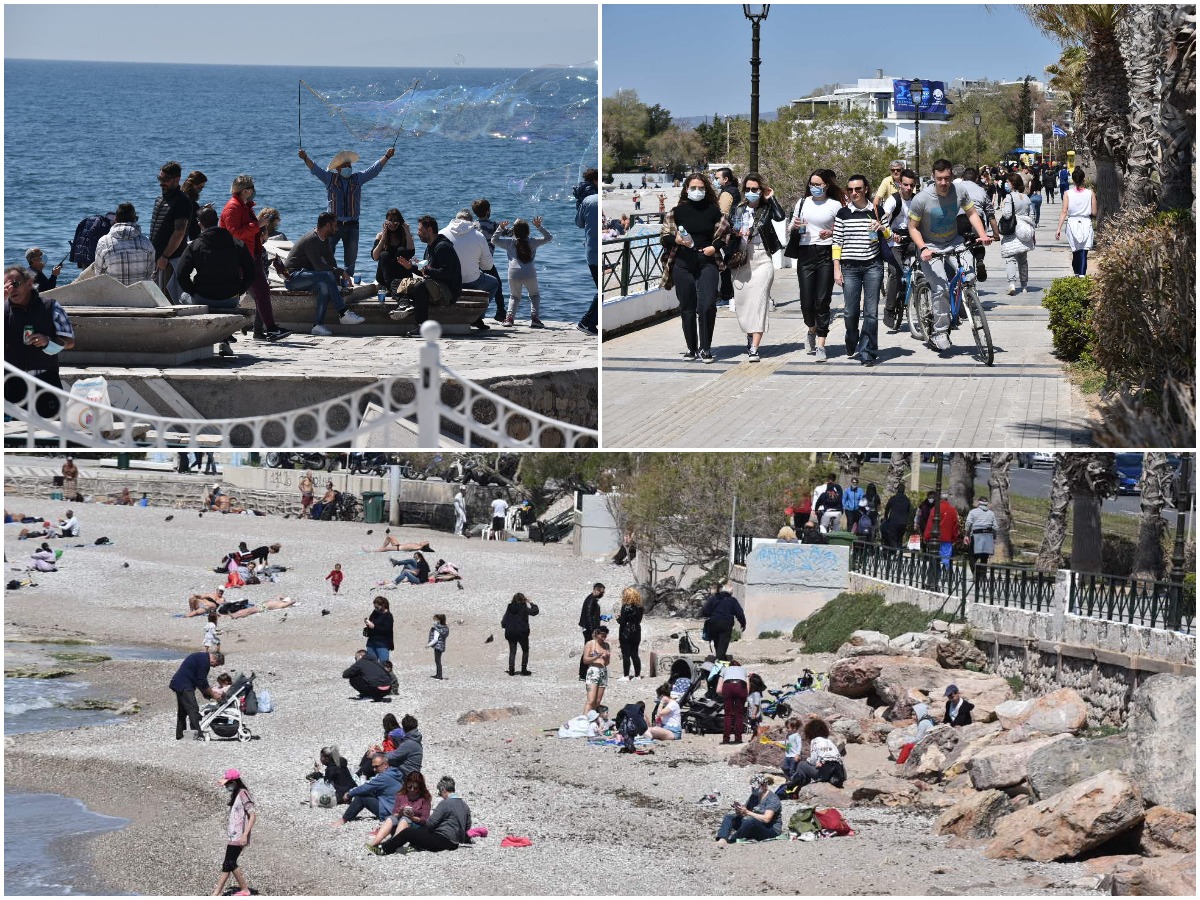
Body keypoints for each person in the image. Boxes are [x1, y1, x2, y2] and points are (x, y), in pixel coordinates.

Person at [907, 159, 993, 350]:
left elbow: (971, 214)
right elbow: (912, 228)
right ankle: (940, 331)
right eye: (939, 179)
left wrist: (982, 235)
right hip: (930, 247)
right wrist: (923, 248)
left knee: (970, 276)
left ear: (952, 177)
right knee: (941, 289)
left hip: (954, 241)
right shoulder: (921, 199)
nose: (943, 183)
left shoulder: (960, 191)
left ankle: (971, 305)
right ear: (933, 177)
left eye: (947, 178)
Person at [298, 147, 395, 277]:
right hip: (333, 226)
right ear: (338, 169)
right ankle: (329, 278)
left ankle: (347, 282)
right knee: (327, 255)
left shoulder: (357, 179)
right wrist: (305, 157)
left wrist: (387, 156)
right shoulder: (330, 179)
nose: (348, 168)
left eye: (349, 165)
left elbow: (374, 170)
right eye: (345, 166)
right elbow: (315, 169)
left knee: (351, 259)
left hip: (352, 225)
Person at [177, 206, 257, 353]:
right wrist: (239, 290)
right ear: (219, 221)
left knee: (183, 297)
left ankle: (197, 339)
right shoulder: (237, 243)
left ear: (200, 224)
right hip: (230, 298)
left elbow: (181, 274)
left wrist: (193, 292)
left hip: (203, 297)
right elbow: (251, 272)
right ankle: (224, 339)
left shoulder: (195, 245)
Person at [218, 174, 286, 342]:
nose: (254, 191)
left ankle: (270, 328)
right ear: (246, 191)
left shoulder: (245, 206)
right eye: (252, 188)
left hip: (250, 254)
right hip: (239, 257)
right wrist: (257, 225)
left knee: (261, 292)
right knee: (235, 294)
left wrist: (258, 225)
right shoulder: (233, 208)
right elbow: (235, 233)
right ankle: (266, 329)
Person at [665, 174, 725, 362]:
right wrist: (675, 239)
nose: (697, 191)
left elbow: (725, 235)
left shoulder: (714, 211)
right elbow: (664, 237)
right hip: (683, 263)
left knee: (707, 305)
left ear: (706, 189)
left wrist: (714, 247)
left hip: (707, 261)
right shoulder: (676, 212)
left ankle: (705, 348)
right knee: (687, 307)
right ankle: (691, 348)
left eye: (700, 188)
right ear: (686, 189)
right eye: (693, 188)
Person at [4, 266, 76, 419]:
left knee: (52, 434)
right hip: (10, 382)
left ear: (29, 283)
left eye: (15, 284)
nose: (11, 290)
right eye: (6, 287)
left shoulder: (50, 306)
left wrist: (49, 341)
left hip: (46, 381)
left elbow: (70, 342)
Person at [789, 169, 845, 362]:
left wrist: (831, 233)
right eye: (811, 184)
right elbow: (790, 227)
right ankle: (811, 329)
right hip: (805, 252)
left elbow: (842, 228)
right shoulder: (802, 202)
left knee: (822, 300)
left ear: (826, 186)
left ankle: (821, 343)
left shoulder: (835, 205)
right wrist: (794, 225)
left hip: (826, 254)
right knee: (806, 302)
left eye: (818, 184)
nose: (814, 188)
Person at [729, 173, 785, 361]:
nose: (751, 192)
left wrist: (772, 198)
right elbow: (730, 229)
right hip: (742, 258)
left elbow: (780, 216)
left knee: (759, 302)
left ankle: (754, 347)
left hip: (762, 259)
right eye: (748, 189)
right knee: (743, 303)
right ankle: (749, 333)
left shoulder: (767, 208)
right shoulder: (738, 209)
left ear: (761, 190)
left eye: (755, 189)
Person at [284, 212, 366, 336]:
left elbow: (331, 261)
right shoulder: (311, 239)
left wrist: (337, 284)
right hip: (293, 278)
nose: (337, 228)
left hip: (307, 276)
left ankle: (317, 325)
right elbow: (319, 267)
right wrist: (341, 272)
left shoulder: (324, 239)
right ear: (327, 226)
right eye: (335, 225)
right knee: (326, 275)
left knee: (324, 286)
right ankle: (343, 313)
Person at [832, 173, 885, 365]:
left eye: (858, 189)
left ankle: (867, 352)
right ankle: (851, 336)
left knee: (870, 311)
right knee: (850, 312)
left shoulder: (877, 210)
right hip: (849, 267)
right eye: (850, 190)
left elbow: (889, 236)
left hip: (873, 265)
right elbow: (836, 242)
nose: (854, 193)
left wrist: (882, 228)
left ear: (866, 189)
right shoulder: (843, 213)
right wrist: (836, 269)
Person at [389, 215, 465, 329]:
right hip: (433, 286)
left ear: (429, 230)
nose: (418, 233)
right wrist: (411, 267)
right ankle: (405, 305)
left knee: (420, 286)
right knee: (395, 283)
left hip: (447, 292)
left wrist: (426, 270)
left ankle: (421, 325)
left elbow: (446, 273)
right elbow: (426, 271)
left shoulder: (443, 247)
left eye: (420, 230)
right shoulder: (430, 247)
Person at [374, 776, 471, 855]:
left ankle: (384, 849)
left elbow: (431, 824)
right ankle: (414, 846)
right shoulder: (464, 805)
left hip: (443, 841)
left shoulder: (445, 803)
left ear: (443, 789)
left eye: (439, 792)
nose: (440, 794)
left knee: (407, 832)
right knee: (419, 833)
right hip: (454, 843)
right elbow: (467, 826)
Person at [492, 217, 552, 328]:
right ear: (528, 231)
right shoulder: (533, 242)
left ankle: (509, 318)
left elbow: (494, 240)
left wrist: (500, 228)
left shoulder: (509, 243)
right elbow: (549, 237)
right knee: (534, 296)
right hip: (530, 273)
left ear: (514, 232)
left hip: (513, 273)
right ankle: (535, 319)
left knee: (514, 297)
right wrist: (539, 226)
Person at [442, 209, 501, 318]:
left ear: (456, 219)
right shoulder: (478, 235)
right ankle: (478, 316)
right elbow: (487, 266)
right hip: (471, 281)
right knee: (494, 283)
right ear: (471, 221)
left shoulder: (442, 233)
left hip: (448, 282)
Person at [880, 169, 919, 328]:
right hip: (894, 240)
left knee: (924, 267)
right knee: (895, 272)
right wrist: (890, 235)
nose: (908, 188)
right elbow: (883, 221)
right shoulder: (893, 200)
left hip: (912, 238)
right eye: (905, 185)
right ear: (899, 184)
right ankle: (889, 310)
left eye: (911, 185)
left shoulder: (917, 200)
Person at [149, 161, 191, 301]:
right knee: (156, 298)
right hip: (157, 258)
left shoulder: (182, 201)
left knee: (168, 298)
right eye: (160, 178)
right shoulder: (160, 199)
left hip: (170, 259)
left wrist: (165, 256)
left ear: (177, 179)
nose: (162, 182)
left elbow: (179, 232)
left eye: (165, 179)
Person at [92, 202, 157, 287]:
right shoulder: (146, 243)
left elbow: (98, 274)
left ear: (115, 219)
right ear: (134, 220)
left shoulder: (104, 242)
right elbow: (150, 273)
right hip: (140, 296)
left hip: (113, 296)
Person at [213, 769, 256, 897]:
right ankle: (216, 893)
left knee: (230, 863)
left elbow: (253, 815)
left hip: (239, 835)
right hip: (233, 835)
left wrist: (244, 835)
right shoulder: (237, 794)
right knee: (228, 864)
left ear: (234, 782)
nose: (226, 786)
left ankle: (244, 890)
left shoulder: (243, 793)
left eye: (228, 784)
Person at [366, 770, 432, 849]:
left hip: (417, 825)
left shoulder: (425, 798)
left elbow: (424, 820)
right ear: (406, 785)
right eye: (409, 787)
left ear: (420, 787)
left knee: (404, 819)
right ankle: (375, 842)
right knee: (390, 819)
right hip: (402, 820)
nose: (412, 789)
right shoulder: (401, 795)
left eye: (415, 788)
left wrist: (412, 817)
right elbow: (394, 813)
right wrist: (400, 813)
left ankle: (391, 846)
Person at [169, 649, 225, 740]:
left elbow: (199, 681)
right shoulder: (204, 662)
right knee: (193, 708)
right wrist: (213, 695)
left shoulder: (202, 657)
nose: (214, 666)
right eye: (216, 664)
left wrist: (207, 694)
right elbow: (202, 681)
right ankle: (197, 734)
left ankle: (180, 736)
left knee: (182, 711)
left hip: (179, 683)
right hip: (184, 685)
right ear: (215, 659)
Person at [334, 753, 402, 825]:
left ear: (385, 765)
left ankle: (344, 819)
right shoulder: (394, 773)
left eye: (376, 767)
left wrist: (349, 794)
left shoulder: (384, 777)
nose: (374, 770)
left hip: (389, 811)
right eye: (373, 767)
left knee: (361, 797)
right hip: (396, 810)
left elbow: (366, 788)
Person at [715, 774, 782, 846]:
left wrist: (747, 812)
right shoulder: (754, 796)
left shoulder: (772, 799)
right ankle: (722, 838)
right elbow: (746, 812)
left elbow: (767, 819)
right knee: (729, 817)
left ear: (764, 786)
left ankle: (732, 839)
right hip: (754, 825)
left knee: (750, 821)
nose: (753, 790)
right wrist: (739, 810)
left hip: (770, 829)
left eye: (756, 788)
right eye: (752, 788)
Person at [999, 172, 1036, 296]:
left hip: (1013, 230)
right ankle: (1024, 285)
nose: (1006, 184)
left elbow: (1007, 214)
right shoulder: (1026, 197)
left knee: (1010, 258)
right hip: (1025, 230)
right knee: (1023, 260)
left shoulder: (1009, 197)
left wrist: (1003, 206)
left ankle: (1012, 284)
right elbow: (1032, 215)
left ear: (1012, 183)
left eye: (1008, 182)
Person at [1056, 167, 1097, 277]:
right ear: (1084, 179)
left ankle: (1076, 274)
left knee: (1075, 251)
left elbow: (1064, 211)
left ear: (1073, 180)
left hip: (1072, 223)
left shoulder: (1067, 193)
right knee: (1084, 251)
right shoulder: (1090, 193)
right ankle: (1082, 276)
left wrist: (1058, 228)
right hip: (1086, 222)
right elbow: (1094, 211)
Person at [471, 198, 507, 321]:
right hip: (487, 262)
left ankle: (475, 313)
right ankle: (501, 312)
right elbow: (509, 233)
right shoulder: (493, 225)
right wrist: (516, 226)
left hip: (474, 262)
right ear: (488, 211)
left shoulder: (472, 226)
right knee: (497, 285)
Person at [786, 717, 846, 789]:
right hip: (838, 773)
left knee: (802, 764)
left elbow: (813, 761)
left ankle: (797, 785)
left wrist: (808, 760)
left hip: (825, 774)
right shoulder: (829, 741)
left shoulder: (815, 741)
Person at [574, 168, 600, 336]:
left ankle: (589, 322)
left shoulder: (587, 200)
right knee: (601, 290)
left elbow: (579, 223)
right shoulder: (597, 199)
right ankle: (586, 321)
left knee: (600, 289)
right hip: (599, 250)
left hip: (591, 250)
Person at [371, 208, 416, 292]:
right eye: (390, 220)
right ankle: (391, 287)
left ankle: (394, 288)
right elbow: (375, 257)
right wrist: (383, 238)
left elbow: (411, 253)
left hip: (401, 275)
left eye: (396, 220)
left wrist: (407, 232)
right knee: (384, 254)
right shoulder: (380, 235)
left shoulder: (405, 235)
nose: (392, 223)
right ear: (386, 222)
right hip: (385, 276)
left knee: (401, 250)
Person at [699, 584, 746, 662]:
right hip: (726, 624)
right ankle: (719, 661)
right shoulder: (732, 600)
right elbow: (740, 613)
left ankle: (720, 658)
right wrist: (743, 623)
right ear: (731, 593)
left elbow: (704, 611)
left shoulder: (713, 598)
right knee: (723, 643)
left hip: (713, 623)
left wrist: (711, 615)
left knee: (717, 642)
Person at [500, 592, 539, 676]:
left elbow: (504, 620)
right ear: (523, 600)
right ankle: (524, 669)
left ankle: (511, 671)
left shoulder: (509, 607)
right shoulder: (524, 608)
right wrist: (531, 603)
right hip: (522, 633)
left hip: (510, 632)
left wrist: (505, 626)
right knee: (525, 650)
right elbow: (535, 612)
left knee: (512, 651)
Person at [922, 493, 961, 570]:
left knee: (934, 558)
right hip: (947, 539)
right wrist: (954, 537)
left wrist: (926, 536)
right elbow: (955, 526)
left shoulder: (935, 509)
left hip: (934, 539)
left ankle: (935, 574)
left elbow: (930, 524)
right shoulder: (953, 510)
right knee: (946, 558)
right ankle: (946, 575)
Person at [716, 659, 749, 744]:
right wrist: (745, 696)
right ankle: (738, 738)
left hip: (728, 687)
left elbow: (718, 690)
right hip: (741, 687)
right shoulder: (744, 670)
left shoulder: (724, 670)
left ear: (730, 666)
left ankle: (726, 739)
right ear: (739, 666)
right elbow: (748, 688)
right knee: (739, 715)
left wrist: (724, 696)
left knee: (728, 715)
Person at [581, 625, 612, 716]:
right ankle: (584, 721)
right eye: (602, 635)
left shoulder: (606, 645)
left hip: (603, 672)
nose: (603, 637)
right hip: (593, 671)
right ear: (597, 634)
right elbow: (585, 660)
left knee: (597, 701)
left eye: (605, 636)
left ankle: (592, 719)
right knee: (591, 700)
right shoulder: (590, 644)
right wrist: (597, 656)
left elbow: (606, 663)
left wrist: (606, 658)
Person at [577, 582, 605, 680]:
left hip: (589, 628)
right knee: (588, 650)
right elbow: (588, 616)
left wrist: (600, 617)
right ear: (596, 590)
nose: (602, 594)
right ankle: (583, 674)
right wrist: (593, 630)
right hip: (589, 629)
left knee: (590, 650)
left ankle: (586, 672)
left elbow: (592, 615)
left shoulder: (592, 599)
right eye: (601, 592)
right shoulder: (591, 600)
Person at [616, 586, 644, 681]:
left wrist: (618, 618)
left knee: (626, 654)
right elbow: (638, 620)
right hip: (636, 631)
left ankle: (626, 676)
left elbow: (622, 622)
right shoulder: (640, 607)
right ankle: (637, 675)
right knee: (635, 654)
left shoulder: (625, 607)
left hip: (626, 633)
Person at [964, 496, 998, 570]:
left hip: (976, 536)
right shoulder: (991, 513)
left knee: (972, 557)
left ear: (979, 503)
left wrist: (966, 534)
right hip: (988, 537)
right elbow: (995, 527)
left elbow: (968, 524)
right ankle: (982, 576)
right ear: (987, 504)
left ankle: (976, 574)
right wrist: (994, 538)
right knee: (984, 558)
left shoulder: (973, 512)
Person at [882, 485, 913, 549]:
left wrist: (886, 518)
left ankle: (896, 551)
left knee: (892, 538)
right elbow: (909, 512)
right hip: (903, 523)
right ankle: (898, 553)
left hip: (894, 522)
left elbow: (887, 508)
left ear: (897, 490)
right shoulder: (907, 500)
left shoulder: (893, 498)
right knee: (900, 538)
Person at [364, 597, 394, 661]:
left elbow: (387, 630)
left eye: (377, 607)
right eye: (375, 607)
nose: (376, 609)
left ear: (383, 605)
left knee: (384, 665)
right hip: (371, 642)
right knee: (371, 664)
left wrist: (374, 627)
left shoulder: (388, 616)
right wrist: (368, 623)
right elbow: (371, 621)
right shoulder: (375, 613)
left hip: (382, 644)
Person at [428, 613, 449, 680]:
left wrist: (428, 645)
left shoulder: (437, 629)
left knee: (437, 661)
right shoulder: (444, 628)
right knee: (438, 660)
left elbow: (435, 639)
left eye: (434, 620)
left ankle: (439, 675)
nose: (433, 621)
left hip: (438, 646)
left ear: (439, 620)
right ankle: (438, 674)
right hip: (441, 646)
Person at [782, 717, 804, 781]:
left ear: (794, 728)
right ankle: (791, 779)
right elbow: (786, 743)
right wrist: (775, 742)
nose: (787, 729)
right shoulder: (788, 735)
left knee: (792, 770)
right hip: (788, 756)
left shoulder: (797, 736)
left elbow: (799, 745)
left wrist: (798, 754)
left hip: (794, 756)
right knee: (784, 767)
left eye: (788, 728)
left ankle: (795, 781)